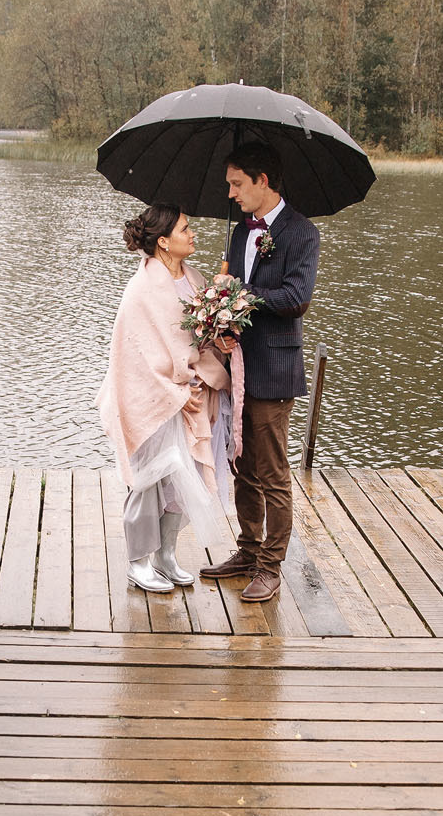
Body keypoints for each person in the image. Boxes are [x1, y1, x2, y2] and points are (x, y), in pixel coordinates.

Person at [200, 140, 320, 603]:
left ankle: (270, 566)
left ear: (262, 180)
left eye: (237, 184)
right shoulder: (239, 233)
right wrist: (219, 315)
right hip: (236, 368)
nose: (230, 193)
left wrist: (240, 292)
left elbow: (295, 299)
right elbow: (233, 298)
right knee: (242, 465)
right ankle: (248, 550)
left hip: (274, 369)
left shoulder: (301, 232)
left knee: (272, 472)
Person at [99, 204, 238, 593]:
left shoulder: (193, 279)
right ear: (163, 241)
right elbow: (135, 355)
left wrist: (220, 331)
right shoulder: (141, 290)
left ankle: (166, 556)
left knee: (183, 476)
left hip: (192, 390)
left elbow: (193, 340)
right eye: (185, 229)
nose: (192, 234)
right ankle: (138, 562)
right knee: (150, 476)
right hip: (155, 397)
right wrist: (177, 390)